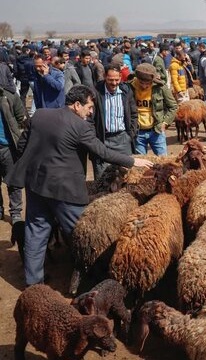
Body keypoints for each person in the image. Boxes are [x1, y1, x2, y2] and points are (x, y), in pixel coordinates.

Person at [5, 85, 153, 286]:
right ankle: (94, 279)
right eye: (89, 107)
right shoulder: (80, 126)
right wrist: (132, 161)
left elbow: (22, 145)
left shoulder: (40, 115)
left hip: (36, 184)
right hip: (65, 189)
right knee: (82, 233)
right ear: (76, 105)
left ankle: (33, 281)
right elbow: (102, 152)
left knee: (35, 230)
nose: (91, 111)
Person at [90, 64, 138, 180]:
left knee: (126, 177)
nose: (114, 83)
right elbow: (90, 118)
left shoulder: (126, 91)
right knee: (102, 178)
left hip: (123, 140)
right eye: (110, 80)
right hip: (102, 140)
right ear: (105, 77)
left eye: (117, 80)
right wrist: (94, 139)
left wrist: (130, 135)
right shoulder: (95, 92)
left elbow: (133, 114)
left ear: (121, 77)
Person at [129, 63, 177, 156]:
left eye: (148, 83)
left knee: (163, 162)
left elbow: (173, 106)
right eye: (141, 83)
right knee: (141, 165)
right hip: (137, 132)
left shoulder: (161, 87)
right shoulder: (130, 87)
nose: (144, 86)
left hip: (156, 131)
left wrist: (165, 123)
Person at [0, 83, 26, 225]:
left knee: (13, 182)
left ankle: (15, 212)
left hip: (8, 147)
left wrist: (19, 142)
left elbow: (21, 118)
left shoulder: (9, 95)